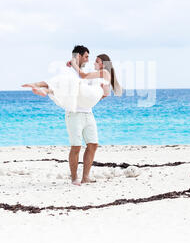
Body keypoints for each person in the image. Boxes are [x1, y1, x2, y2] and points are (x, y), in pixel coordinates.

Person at [22, 45, 122, 185]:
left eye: (96, 60)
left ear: (103, 64)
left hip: (88, 114)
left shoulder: (99, 74)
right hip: (74, 114)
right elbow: (74, 82)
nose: (91, 61)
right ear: (79, 56)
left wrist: (76, 67)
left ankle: (85, 177)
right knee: (76, 146)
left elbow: (94, 89)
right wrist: (73, 65)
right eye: (87, 57)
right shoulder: (79, 73)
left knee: (93, 145)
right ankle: (75, 178)